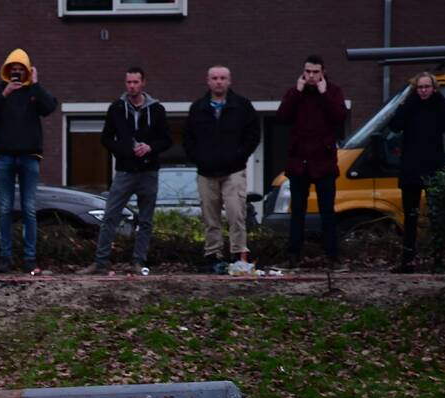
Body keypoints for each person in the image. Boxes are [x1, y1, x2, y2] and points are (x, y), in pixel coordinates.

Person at [79, 66, 170, 275]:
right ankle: (100, 262)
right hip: (125, 171)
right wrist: (123, 150)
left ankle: (138, 261)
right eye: (128, 82)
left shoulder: (156, 110)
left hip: (148, 172)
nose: (132, 86)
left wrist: (150, 147)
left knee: (145, 220)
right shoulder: (117, 109)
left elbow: (166, 139)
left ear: (143, 83)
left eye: (136, 82)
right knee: (110, 215)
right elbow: (106, 138)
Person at [0, 49, 57, 274]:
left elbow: (50, 107)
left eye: (20, 69)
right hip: (5, 157)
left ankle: (29, 259)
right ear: (7, 70)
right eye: (13, 69)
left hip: (30, 157)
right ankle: (5, 257)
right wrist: (4, 94)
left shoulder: (33, 92)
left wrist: (35, 85)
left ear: (27, 70)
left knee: (29, 209)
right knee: (5, 208)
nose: (16, 73)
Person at [183, 65, 260, 273]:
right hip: (206, 172)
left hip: (233, 170)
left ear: (229, 81)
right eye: (215, 78)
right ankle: (213, 256)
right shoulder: (197, 108)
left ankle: (239, 255)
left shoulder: (242, 106)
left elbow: (253, 134)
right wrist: (199, 159)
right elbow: (188, 138)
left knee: (237, 214)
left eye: (222, 78)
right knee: (210, 218)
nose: (218, 81)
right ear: (208, 81)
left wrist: (239, 155)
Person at [276, 54, 348, 270]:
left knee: (328, 212)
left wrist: (324, 94)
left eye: (315, 72)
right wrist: (296, 93)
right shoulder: (294, 93)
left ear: (323, 72)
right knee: (297, 211)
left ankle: (333, 258)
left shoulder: (333, 92)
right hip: (299, 162)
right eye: (308, 71)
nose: (311, 76)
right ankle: (293, 256)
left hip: (324, 162)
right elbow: (282, 117)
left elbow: (339, 117)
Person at [387, 72, 445, 273]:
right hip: (411, 167)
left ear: (434, 88)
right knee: (410, 217)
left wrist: (440, 98)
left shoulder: (439, 105)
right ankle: (407, 261)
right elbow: (395, 125)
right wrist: (409, 101)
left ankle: (439, 260)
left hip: (433, 166)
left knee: (437, 216)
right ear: (415, 89)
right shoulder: (411, 105)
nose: (424, 91)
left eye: (427, 87)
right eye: (420, 87)